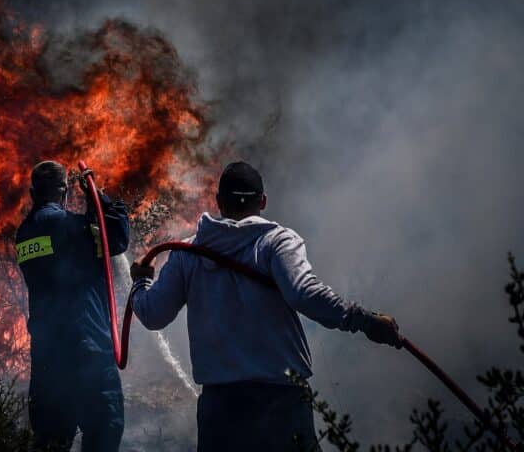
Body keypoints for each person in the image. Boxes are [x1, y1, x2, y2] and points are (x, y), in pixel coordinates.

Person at [129, 161, 402, 452]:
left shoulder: (187, 253)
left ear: (219, 201)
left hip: (222, 409)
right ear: (263, 201)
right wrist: (364, 320)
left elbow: (152, 314)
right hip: (281, 401)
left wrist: (141, 283)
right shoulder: (277, 241)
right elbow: (304, 294)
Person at [15, 160, 129, 452]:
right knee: (105, 430)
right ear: (64, 191)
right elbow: (115, 235)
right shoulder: (67, 226)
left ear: (32, 192)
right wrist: (96, 196)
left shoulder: (24, 233)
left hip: (48, 356)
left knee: (51, 441)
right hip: (86, 348)